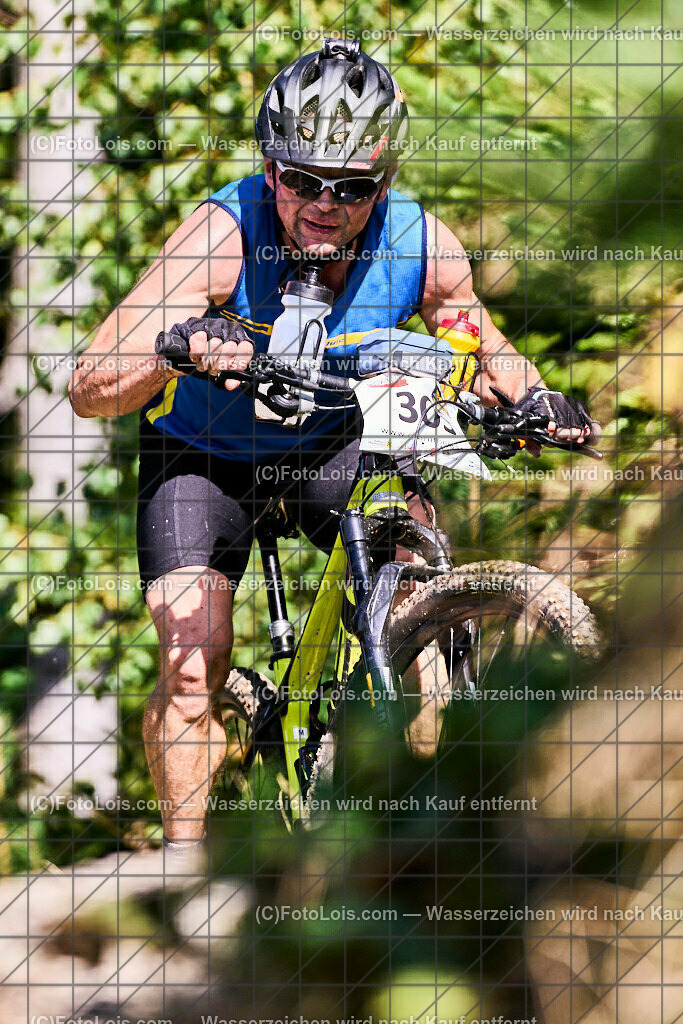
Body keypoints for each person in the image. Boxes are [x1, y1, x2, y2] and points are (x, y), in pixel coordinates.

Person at [68, 38, 596, 850]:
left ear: (382, 183)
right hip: (201, 457)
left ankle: (414, 836)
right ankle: (182, 864)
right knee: (192, 657)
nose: (322, 202)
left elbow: (481, 344)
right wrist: (174, 344)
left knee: (422, 606)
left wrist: (535, 399)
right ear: (270, 168)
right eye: (300, 179)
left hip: (331, 443)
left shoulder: (420, 241)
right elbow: (90, 383)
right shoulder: (220, 234)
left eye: (349, 187)